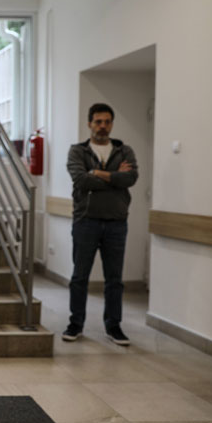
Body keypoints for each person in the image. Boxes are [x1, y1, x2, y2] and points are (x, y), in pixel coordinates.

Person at [63, 103, 138, 346]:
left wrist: (98, 173)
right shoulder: (78, 151)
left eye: (107, 122)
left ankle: (113, 326)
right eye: (98, 122)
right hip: (86, 221)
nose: (102, 126)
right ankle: (76, 324)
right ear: (89, 124)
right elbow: (81, 180)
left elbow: (130, 178)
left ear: (112, 124)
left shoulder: (124, 150)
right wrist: (115, 177)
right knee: (79, 277)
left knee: (114, 279)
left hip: (116, 223)